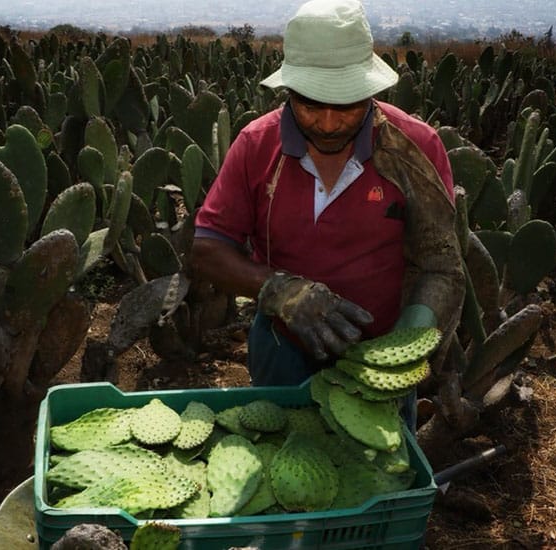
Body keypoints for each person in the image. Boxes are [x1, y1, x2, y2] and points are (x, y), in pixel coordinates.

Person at [190, 0, 465, 416]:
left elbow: (440, 264)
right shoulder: (256, 146)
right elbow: (208, 248)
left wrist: (410, 340)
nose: (329, 122)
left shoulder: (417, 151)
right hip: (284, 344)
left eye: (348, 104)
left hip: (383, 356)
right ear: (289, 91)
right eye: (311, 104)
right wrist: (279, 290)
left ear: (371, 92)